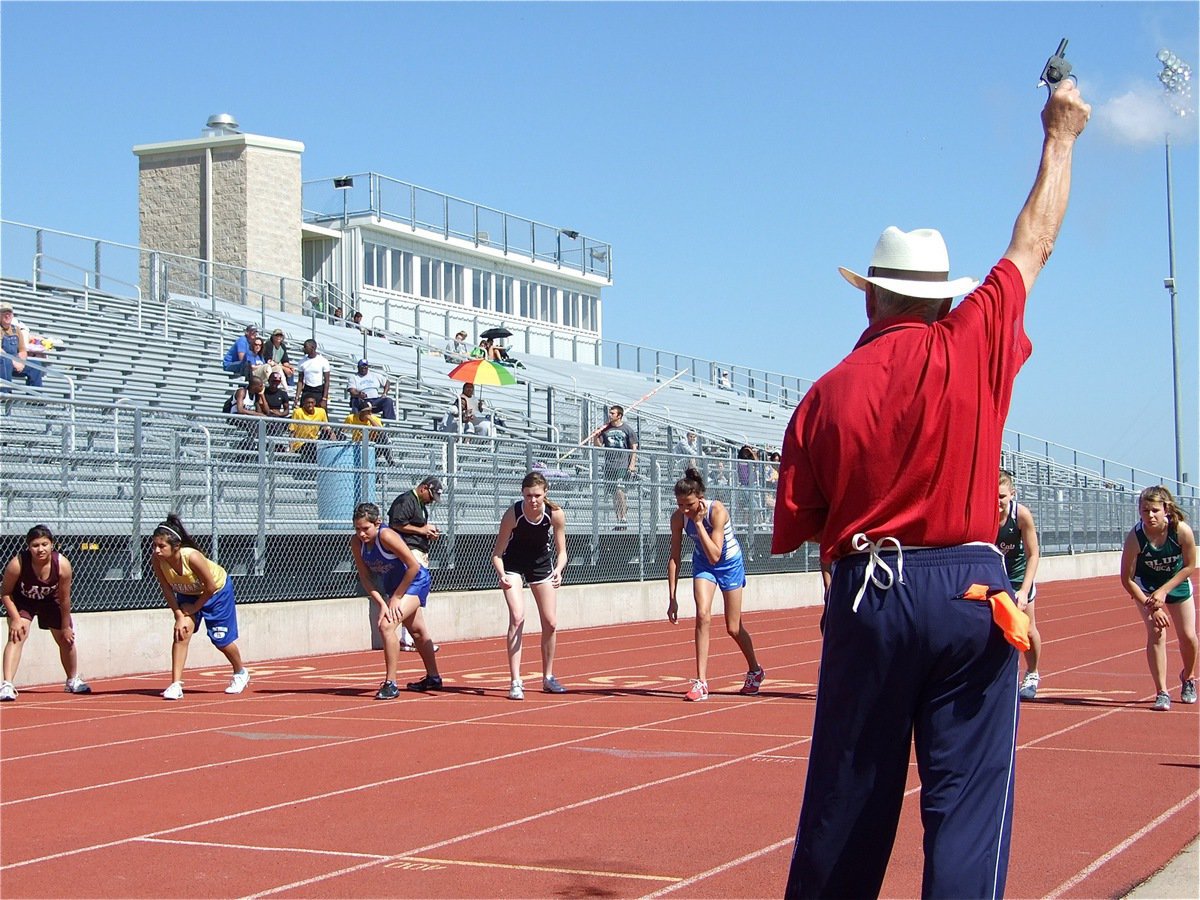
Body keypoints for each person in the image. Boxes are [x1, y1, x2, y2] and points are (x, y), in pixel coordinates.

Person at [772, 82, 1090, 898]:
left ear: (871, 295)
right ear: (942, 298)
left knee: (846, 807)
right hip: (972, 587)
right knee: (967, 810)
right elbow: (1036, 241)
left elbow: (812, 532)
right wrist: (1061, 134)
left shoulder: (823, 395)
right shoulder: (975, 338)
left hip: (868, 585)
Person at [667, 468, 764, 702]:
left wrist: (699, 524)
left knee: (733, 627)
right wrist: (672, 597)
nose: (684, 510)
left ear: (700, 499)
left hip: (728, 563)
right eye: (680, 504)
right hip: (703, 564)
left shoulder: (717, 510)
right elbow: (675, 557)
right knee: (703, 614)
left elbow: (716, 555)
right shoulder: (678, 518)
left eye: (689, 504)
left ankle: (755, 670)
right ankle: (701, 682)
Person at [149, 514, 250, 700]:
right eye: (154, 545)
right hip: (188, 593)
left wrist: (195, 608)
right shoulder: (158, 561)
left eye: (161, 546)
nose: (156, 550)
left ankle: (240, 672)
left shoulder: (192, 558)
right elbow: (166, 588)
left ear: (176, 547)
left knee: (221, 640)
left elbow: (210, 587)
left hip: (217, 593)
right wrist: (179, 615)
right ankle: (175, 684)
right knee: (181, 632)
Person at [350, 502, 442, 699]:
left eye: (365, 529)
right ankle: (434, 677)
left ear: (378, 523)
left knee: (385, 626)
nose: (361, 534)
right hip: (394, 588)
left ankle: (391, 683)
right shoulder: (357, 543)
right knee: (417, 632)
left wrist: (397, 597)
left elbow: (413, 567)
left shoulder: (387, 536)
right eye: (357, 529)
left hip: (415, 582)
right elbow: (365, 577)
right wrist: (382, 603)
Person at [490, 471, 568, 700]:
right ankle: (515, 681)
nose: (532, 501)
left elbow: (562, 551)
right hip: (513, 565)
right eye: (527, 496)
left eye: (536, 495)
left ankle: (548, 677)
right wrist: (501, 574)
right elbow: (497, 553)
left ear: (545, 493)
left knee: (551, 623)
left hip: (541, 564)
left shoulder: (555, 514)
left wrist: (558, 570)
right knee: (517, 617)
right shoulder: (513, 514)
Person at [1119, 485, 1197, 711]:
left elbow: (1190, 565)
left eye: (1154, 510)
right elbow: (1127, 579)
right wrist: (1151, 605)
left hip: (1176, 584)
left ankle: (1188, 676)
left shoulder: (1180, 531)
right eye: (1144, 511)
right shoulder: (1136, 537)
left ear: (1166, 510)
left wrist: (1165, 591)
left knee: (1188, 636)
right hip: (1147, 589)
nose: (1150, 516)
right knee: (1156, 633)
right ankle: (1161, 691)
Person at [1, 525, 91, 701]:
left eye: (44, 544)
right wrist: (16, 618)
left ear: (52, 545)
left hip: (51, 600)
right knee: (17, 636)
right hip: (23, 601)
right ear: (28, 547)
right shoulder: (17, 564)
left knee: (67, 639)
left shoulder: (62, 565)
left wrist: (65, 626)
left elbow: (65, 599)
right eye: (35, 545)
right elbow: (5, 592)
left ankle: (72, 679)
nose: (40, 549)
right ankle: (7, 684)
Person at [997, 469, 1042, 700]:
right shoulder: (983, 514)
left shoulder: (1021, 515)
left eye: (1002, 497)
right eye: (993, 496)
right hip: (994, 577)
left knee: (1027, 627)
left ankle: (1032, 672)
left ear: (1012, 494)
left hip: (1017, 576)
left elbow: (1033, 554)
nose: (997, 502)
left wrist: (1024, 590)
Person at [388, 476, 444, 651]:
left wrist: (429, 533)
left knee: (417, 597)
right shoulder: (406, 500)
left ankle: (410, 638)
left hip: (419, 551)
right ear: (424, 488)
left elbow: (415, 526)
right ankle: (408, 638)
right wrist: (422, 530)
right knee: (411, 595)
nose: (431, 500)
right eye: (431, 495)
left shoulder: (419, 504)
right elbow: (395, 524)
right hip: (409, 553)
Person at [595, 404, 638, 529]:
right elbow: (598, 445)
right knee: (614, 493)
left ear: (619, 415)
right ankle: (619, 519)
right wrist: (596, 435)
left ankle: (624, 517)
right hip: (609, 465)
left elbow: (633, 447)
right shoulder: (605, 429)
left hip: (622, 465)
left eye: (613, 413)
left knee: (620, 491)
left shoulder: (627, 429)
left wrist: (632, 464)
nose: (610, 415)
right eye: (610, 413)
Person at [0, 302, 44, 389]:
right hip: (3, 361)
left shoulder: (16, 330)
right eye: (4, 313)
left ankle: (35, 400)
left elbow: (22, 350)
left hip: (14, 362)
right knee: (5, 360)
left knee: (35, 365)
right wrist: (13, 361)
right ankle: (5, 395)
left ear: (12, 315)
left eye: (9, 313)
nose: (7, 316)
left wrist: (21, 362)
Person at [289, 394, 335, 463]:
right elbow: (292, 430)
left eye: (312, 403)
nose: (310, 405)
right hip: (300, 444)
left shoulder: (321, 412)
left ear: (315, 403)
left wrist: (334, 438)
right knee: (312, 445)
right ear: (304, 404)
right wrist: (291, 448)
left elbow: (327, 428)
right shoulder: (297, 412)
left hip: (315, 442)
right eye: (308, 403)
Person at [294, 339, 331, 410]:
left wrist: (324, 398)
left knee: (321, 415)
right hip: (307, 390)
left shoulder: (323, 361)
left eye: (305, 347)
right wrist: (297, 397)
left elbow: (327, 381)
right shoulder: (302, 362)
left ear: (312, 347)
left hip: (319, 390)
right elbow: (300, 381)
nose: (303, 349)